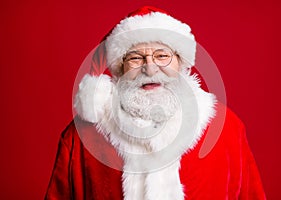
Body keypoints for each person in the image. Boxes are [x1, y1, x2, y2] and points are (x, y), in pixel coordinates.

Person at [45, 6, 266, 200]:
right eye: (135, 58)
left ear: (181, 63)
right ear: (120, 69)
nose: (149, 69)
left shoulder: (227, 128)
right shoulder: (82, 136)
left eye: (162, 56)